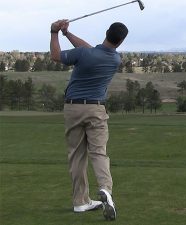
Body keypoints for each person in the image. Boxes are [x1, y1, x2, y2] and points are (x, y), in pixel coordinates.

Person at [50, 19, 128, 221]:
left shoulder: (86, 54)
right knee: (98, 153)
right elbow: (89, 49)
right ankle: (105, 189)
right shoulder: (115, 59)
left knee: (76, 155)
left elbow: (56, 56)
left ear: (106, 32)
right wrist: (68, 34)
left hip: (72, 108)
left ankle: (80, 202)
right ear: (120, 42)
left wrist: (54, 32)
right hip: (96, 109)